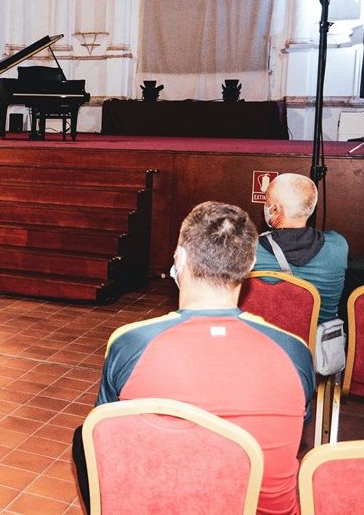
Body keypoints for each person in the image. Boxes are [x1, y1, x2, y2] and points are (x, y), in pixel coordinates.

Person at [74, 201, 315, 515]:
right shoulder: (294, 351)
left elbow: (105, 429)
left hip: (157, 506)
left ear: (180, 258)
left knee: (85, 437)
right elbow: (299, 425)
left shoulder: (130, 342)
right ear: (251, 262)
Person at [255, 173, 348, 324]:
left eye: (266, 201)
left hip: (270, 341)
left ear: (276, 210)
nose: (264, 206)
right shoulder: (338, 246)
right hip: (317, 344)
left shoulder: (251, 249)